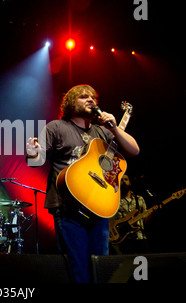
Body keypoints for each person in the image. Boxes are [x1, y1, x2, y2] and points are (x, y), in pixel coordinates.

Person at [26, 84, 140, 282]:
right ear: (71, 102)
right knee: (78, 270)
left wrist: (114, 128)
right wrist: (32, 151)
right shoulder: (56, 127)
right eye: (83, 97)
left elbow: (134, 150)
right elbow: (35, 161)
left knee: (100, 266)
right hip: (68, 207)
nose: (91, 100)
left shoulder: (102, 132)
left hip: (99, 207)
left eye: (93, 98)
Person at [110, 174, 150, 254]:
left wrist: (153, 211)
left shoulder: (139, 199)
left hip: (140, 236)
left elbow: (146, 220)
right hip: (124, 239)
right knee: (130, 264)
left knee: (144, 263)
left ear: (130, 182)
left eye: (126, 179)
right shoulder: (114, 201)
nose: (124, 181)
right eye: (121, 180)